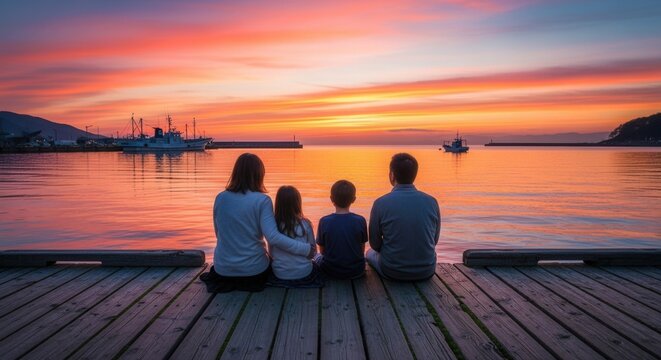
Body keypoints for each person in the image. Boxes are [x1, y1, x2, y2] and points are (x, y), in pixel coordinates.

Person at [201, 153, 315, 293]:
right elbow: (272, 237)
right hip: (253, 271)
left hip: (223, 270)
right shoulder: (262, 200)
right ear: (259, 175)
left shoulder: (220, 198)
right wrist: (306, 249)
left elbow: (219, 234)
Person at [367, 153, 440, 281]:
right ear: (414, 175)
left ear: (392, 175)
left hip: (392, 271)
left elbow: (374, 244)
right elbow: (434, 241)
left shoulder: (380, 203)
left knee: (369, 253)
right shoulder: (432, 201)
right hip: (426, 270)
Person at [267, 185, 324, 288]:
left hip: (280, 275)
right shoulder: (305, 224)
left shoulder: (272, 226)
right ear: (298, 203)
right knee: (317, 264)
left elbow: (271, 253)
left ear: (278, 204)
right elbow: (313, 253)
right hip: (304, 273)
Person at [315, 180, 368, 279]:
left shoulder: (324, 221)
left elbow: (322, 251)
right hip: (357, 271)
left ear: (331, 199)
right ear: (354, 199)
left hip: (330, 271)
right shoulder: (360, 220)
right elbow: (361, 250)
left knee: (316, 256)